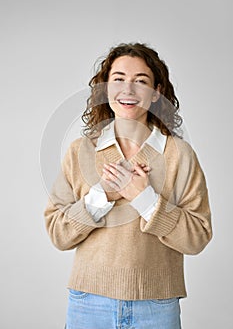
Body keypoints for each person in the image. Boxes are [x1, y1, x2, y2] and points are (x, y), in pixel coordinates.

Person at [44, 43, 212, 329]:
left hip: (157, 306)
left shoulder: (179, 154)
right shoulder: (79, 152)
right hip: (88, 304)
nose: (128, 90)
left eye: (141, 81)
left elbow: (198, 236)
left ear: (157, 92)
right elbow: (58, 234)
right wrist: (103, 196)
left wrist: (145, 199)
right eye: (119, 79)